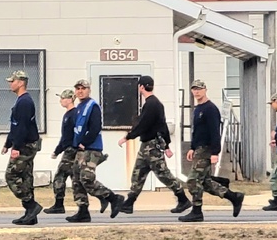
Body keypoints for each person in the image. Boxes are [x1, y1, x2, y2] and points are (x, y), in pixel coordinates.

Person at [117, 76, 191, 214]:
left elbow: (143, 125)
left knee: (163, 174)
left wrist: (128, 137)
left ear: (141, 87)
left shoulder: (151, 104)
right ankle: (129, 203)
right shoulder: (156, 104)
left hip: (152, 146)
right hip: (146, 146)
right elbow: (162, 125)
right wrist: (167, 145)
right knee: (138, 174)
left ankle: (183, 199)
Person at [178, 80, 244, 222]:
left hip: (207, 150)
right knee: (206, 183)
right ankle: (234, 197)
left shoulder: (210, 109)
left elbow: (215, 132)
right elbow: (197, 132)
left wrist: (215, 152)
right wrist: (192, 148)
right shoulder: (198, 109)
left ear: (205, 90)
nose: (197, 92)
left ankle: (197, 211)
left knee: (193, 180)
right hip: (199, 149)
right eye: (194, 89)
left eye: (199, 89)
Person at [65, 79, 124, 223]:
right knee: (77, 180)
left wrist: (84, 143)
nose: (80, 91)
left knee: (87, 179)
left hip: (91, 149)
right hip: (79, 150)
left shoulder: (93, 106)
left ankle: (113, 198)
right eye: (78, 88)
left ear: (88, 90)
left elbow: (95, 127)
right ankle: (83, 211)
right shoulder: (79, 106)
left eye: (83, 88)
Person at [1, 70, 44, 225]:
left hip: (25, 145)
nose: (10, 84)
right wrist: (8, 143)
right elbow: (15, 125)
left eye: (12, 81)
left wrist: (16, 147)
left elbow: (23, 127)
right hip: (23, 143)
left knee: (11, 175)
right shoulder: (21, 101)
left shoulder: (25, 102)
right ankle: (30, 215)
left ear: (20, 82)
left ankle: (31, 206)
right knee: (25, 177)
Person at [44, 89, 77, 214]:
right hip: (69, 148)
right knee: (76, 178)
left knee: (60, 176)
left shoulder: (73, 115)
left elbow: (67, 137)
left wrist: (58, 151)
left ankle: (59, 204)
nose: (61, 101)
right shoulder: (68, 114)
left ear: (69, 99)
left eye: (63, 98)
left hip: (70, 150)